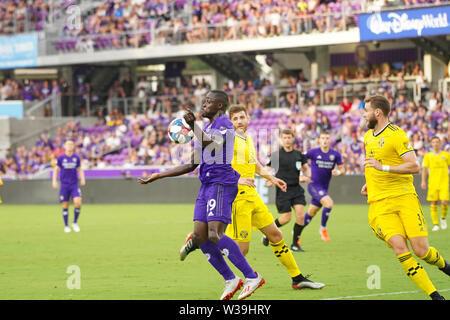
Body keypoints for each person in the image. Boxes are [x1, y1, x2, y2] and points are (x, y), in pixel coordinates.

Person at [179, 105, 325, 290]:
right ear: (230, 122)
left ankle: (297, 278)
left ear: (248, 118)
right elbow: (216, 164)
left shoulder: (247, 138)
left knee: (276, 234)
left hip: (252, 197)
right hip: (236, 198)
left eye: (242, 117)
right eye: (235, 119)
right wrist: (237, 179)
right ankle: (199, 240)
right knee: (241, 249)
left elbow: (254, 163)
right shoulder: (226, 140)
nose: (239, 121)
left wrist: (271, 177)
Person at [138, 91, 264, 300]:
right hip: (206, 186)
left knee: (215, 233)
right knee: (200, 236)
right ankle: (230, 279)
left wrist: (194, 126)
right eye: (203, 101)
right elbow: (191, 164)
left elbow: (213, 145)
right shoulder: (205, 129)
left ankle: (252, 277)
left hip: (222, 184)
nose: (204, 105)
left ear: (220, 105)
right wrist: (159, 175)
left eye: (208, 102)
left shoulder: (224, 123)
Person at [361, 94, 449, 300]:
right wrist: (370, 181)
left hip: (404, 197)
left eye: (365, 111)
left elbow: (413, 166)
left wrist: (382, 168)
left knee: (421, 250)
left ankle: (445, 266)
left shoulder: (396, 135)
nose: (363, 115)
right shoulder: (367, 136)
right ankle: (435, 296)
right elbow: (374, 165)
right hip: (380, 205)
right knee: (400, 247)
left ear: (377, 113)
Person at [262, 129, 311, 252]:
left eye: (289, 137)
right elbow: (266, 168)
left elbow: (306, 168)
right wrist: (268, 179)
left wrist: (307, 176)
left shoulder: (299, 155)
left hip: (296, 189)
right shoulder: (276, 155)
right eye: (284, 138)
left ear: (293, 138)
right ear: (281, 139)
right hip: (283, 190)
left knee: (300, 216)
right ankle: (267, 232)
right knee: (286, 218)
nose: (287, 140)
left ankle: (295, 245)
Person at [297, 131, 345, 243]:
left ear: (330, 140)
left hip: (324, 187)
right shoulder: (313, 152)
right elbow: (298, 158)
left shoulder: (335, 154)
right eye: (322, 138)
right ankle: (323, 228)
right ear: (319, 140)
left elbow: (343, 169)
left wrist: (339, 172)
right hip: (313, 184)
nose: (324, 140)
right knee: (329, 203)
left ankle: (297, 233)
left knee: (311, 213)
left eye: (327, 138)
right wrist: (300, 175)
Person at [52, 140, 86, 233]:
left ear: (73, 146)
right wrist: (54, 181)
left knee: (78, 202)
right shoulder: (61, 157)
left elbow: (79, 169)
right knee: (65, 205)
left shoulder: (76, 157)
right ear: (65, 146)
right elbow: (56, 169)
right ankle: (66, 225)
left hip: (74, 184)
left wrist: (82, 179)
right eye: (68, 144)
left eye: (71, 144)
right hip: (64, 184)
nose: (70, 146)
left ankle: (75, 223)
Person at [421, 136, 449, 231]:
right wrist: (423, 181)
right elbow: (424, 169)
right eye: (434, 142)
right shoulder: (428, 155)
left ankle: (443, 218)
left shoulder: (446, 155)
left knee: (444, 202)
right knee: (433, 202)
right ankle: (436, 224)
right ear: (431, 144)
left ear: (440, 143)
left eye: (437, 142)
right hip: (432, 183)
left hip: (444, 182)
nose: (436, 144)